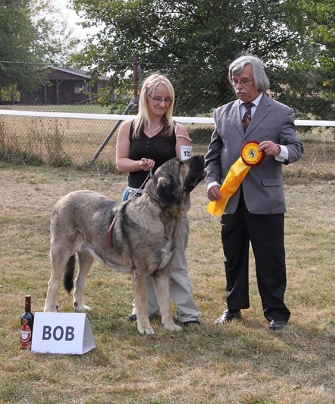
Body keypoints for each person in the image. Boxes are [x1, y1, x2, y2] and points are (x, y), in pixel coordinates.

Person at [205, 54, 303, 331]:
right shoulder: (221, 113)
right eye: (235, 81)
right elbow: (212, 157)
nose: (239, 86)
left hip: (267, 200)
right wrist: (212, 182)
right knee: (232, 256)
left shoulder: (281, 112)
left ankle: (276, 313)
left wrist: (279, 150)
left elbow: (296, 149)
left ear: (258, 81)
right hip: (231, 199)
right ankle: (233, 307)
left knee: (270, 258)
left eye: (245, 81)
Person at [115, 73, 200, 327]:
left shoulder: (177, 130)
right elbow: (120, 163)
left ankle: (188, 314)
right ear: (146, 97)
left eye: (167, 99)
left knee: (174, 261)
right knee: (143, 261)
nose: (162, 104)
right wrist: (138, 163)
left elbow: (185, 170)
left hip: (169, 210)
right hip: (136, 207)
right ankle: (145, 309)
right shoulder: (128, 127)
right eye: (157, 99)